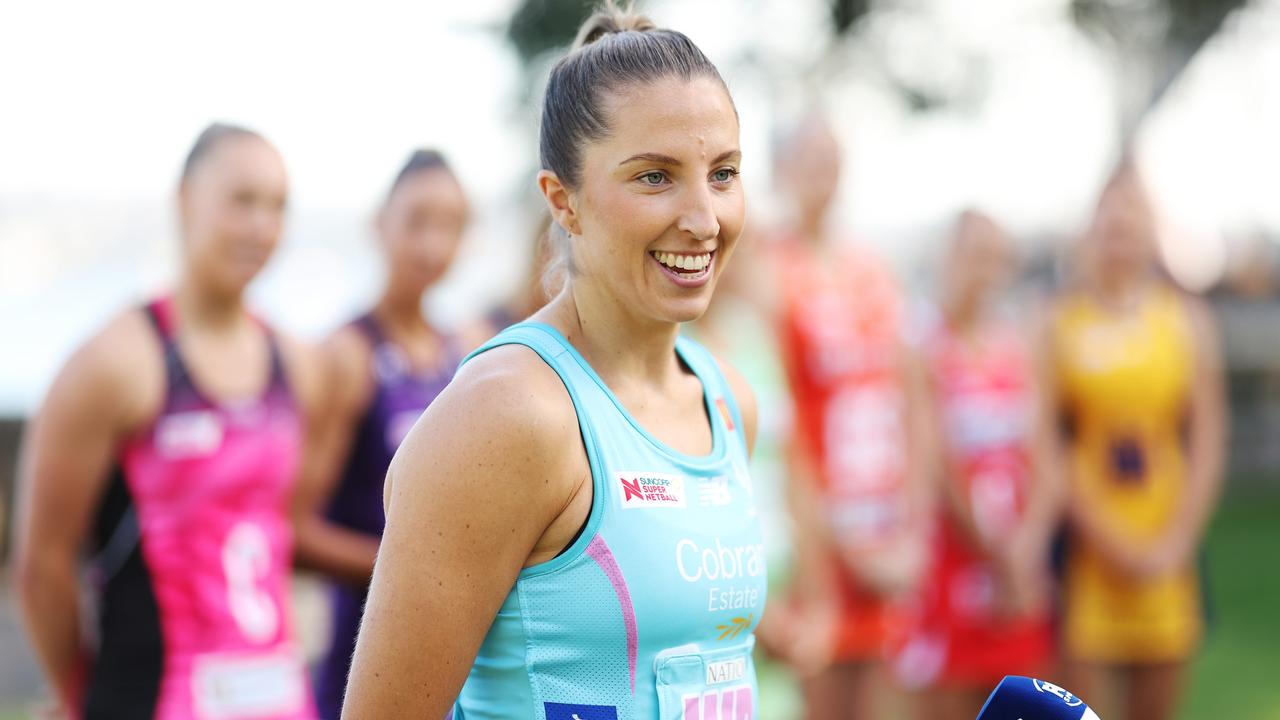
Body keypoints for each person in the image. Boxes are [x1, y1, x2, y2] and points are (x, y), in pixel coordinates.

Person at [341, 5, 764, 718]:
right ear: (561, 200)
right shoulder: (509, 415)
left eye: (723, 174)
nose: (704, 219)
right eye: (655, 177)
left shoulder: (726, 400)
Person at [13, 123, 322, 719]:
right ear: (185, 201)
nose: (262, 226)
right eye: (242, 201)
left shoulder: (297, 362)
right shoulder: (113, 362)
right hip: (152, 697)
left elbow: (283, 531)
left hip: (280, 697)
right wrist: (83, 698)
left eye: (277, 206)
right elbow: (41, 565)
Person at [288, 149, 471, 719]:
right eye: (417, 221)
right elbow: (292, 530)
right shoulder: (346, 356)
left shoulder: (464, 353)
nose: (432, 245)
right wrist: (416, 571)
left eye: (451, 226)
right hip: (359, 649)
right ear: (379, 224)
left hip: (451, 651)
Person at [767, 112, 930, 719]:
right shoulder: (768, 270)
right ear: (781, 171)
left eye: (832, 162)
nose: (823, 177)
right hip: (817, 546)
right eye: (809, 161)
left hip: (886, 539)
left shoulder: (874, 269)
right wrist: (840, 542)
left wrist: (912, 535)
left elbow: (911, 400)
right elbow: (777, 417)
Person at [1048, 162, 1226, 720]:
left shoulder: (1185, 320)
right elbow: (1049, 445)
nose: (1120, 228)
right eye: (1110, 215)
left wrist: (1176, 541)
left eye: (1133, 215)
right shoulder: (1057, 322)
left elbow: (1208, 436)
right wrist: (1108, 540)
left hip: (1167, 547)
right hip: (1086, 555)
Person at [896, 211, 1059, 718]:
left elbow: (1047, 456)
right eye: (972, 254)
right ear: (948, 258)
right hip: (955, 562)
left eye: (995, 257)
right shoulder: (922, 346)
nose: (984, 269)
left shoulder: (1019, 343)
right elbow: (938, 466)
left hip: (1019, 563)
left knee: (1023, 701)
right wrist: (997, 554)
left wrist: (1027, 548)